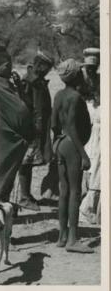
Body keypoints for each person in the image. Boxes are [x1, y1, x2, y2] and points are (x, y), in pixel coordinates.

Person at [0, 46, 33, 208]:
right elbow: (21, 110)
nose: (12, 68)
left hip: (8, 137)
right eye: (9, 65)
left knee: (5, 180)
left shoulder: (5, 85)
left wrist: (18, 87)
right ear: (4, 66)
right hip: (1, 140)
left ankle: (1, 212)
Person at [52, 58, 93, 253]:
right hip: (72, 145)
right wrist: (83, 154)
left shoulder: (59, 95)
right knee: (75, 192)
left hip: (60, 144)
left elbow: (54, 124)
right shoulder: (76, 97)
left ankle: (62, 236)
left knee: (64, 191)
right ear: (77, 75)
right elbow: (74, 129)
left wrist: (56, 143)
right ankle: (73, 239)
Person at [17, 51, 54, 211]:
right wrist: (38, 130)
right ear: (39, 65)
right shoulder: (32, 82)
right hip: (32, 128)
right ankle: (24, 197)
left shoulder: (33, 79)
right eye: (46, 68)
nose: (47, 71)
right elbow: (35, 108)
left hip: (32, 127)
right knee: (26, 161)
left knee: (28, 162)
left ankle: (26, 195)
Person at [79, 49, 100, 225]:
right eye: (89, 67)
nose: (91, 70)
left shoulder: (100, 80)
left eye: (94, 67)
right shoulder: (80, 80)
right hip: (86, 124)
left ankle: (90, 204)